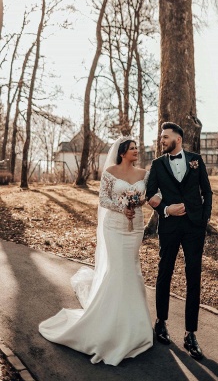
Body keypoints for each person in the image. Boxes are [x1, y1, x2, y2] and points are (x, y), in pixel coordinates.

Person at [39, 136, 153, 366]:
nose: (136, 152)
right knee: (118, 270)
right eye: (132, 149)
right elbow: (103, 199)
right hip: (114, 227)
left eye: (136, 148)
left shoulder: (144, 174)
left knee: (132, 268)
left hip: (136, 228)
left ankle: (137, 325)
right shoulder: (110, 171)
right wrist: (122, 206)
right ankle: (109, 325)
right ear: (122, 152)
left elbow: (145, 198)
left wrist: (135, 204)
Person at [146, 122, 212, 360]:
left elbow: (207, 191)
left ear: (178, 139)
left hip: (194, 227)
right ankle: (161, 322)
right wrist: (166, 210)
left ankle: (190, 333)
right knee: (165, 272)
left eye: (165, 137)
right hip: (170, 227)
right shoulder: (157, 164)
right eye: (161, 137)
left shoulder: (196, 160)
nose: (161, 140)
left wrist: (204, 219)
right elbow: (149, 195)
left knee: (194, 276)